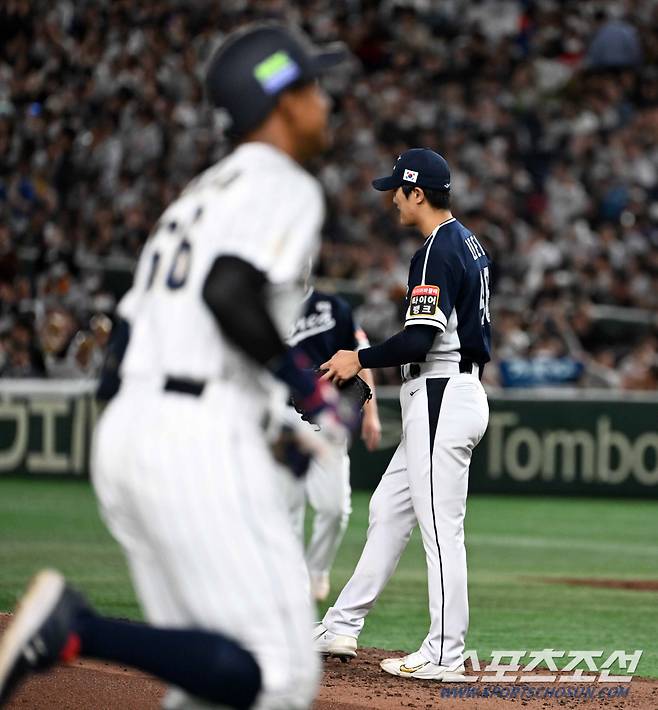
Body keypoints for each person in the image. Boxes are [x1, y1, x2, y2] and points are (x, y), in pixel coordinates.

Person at [0, 23, 350, 710]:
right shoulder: (282, 182)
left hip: (134, 431)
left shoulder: (196, 196)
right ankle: (77, 629)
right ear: (281, 103)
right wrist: (305, 386)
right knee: (280, 672)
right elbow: (227, 291)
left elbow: (128, 339)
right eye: (313, 87)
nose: (326, 103)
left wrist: (242, 423)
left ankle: (78, 629)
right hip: (193, 434)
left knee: (209, 681)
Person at [313, 148, 491, 681]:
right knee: (388, 513)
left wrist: (358, 358)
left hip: (441, 394)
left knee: (440, 530)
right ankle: (341, 624)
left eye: (398, 189)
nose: (391, 198)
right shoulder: (466, 241)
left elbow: (420, 338)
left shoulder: (437, 249)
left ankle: (445, 652)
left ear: (418, 193)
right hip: (447, 392)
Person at [283, 283, 381, 602]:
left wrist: (371, 414)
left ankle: (317, 569)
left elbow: (357, 357)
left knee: (334, 507)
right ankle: (294, 587)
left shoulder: (332, 306)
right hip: (279, 414)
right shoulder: (263, 303)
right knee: (288, 508)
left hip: (323, 414)